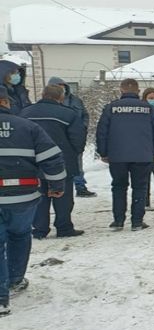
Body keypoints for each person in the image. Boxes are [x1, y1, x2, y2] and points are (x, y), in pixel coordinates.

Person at [0, 85, 66, 316]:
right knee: (19, 235)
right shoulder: (27, 127)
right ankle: (15, 278)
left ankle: (1, 298)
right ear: (6, 102)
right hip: (23, 195)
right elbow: (52, 158)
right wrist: (57, 186)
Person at [95, 78, 154, 231]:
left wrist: (103, 152)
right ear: (138, 91)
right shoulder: (148, 109)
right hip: (142, 155)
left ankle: (118, 221)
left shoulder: (111, 108)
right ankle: (137, 221)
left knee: (118, 186)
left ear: (121, 90)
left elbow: (102, 132)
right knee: (140, 187)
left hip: (117, 155)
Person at [21, 84, 86, 239]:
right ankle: (64, 227)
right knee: (63, 196)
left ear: (42, 94)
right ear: (61, 97)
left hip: (33, 162)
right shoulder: (68, 114)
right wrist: (72, 154)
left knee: (39, 196)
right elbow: (78, 138)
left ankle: (40, 228)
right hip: (62, 161)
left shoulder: (25, 113)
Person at [48, 77, 96, 197]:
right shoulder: (48, 102)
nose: (61, 88)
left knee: (77, 165)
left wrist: (82, 128)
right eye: (58, 86)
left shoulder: (76, 101)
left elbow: (85, 115)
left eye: (63, 86)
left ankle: (80, 187)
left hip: (74, 138)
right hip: (57, 139)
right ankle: (58, 187)